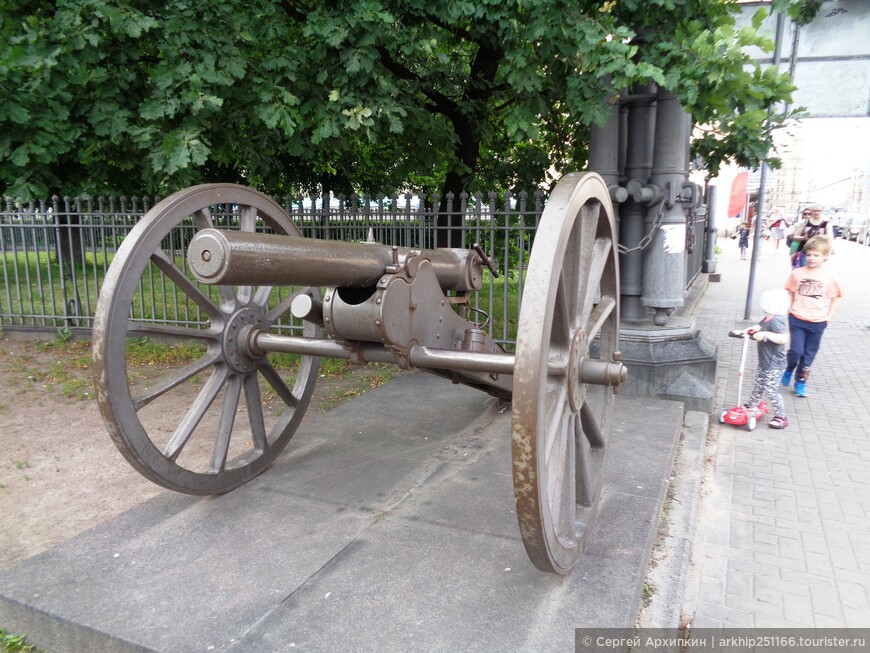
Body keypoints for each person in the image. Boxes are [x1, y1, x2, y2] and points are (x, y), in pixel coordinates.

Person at [782, 235, 842, 398]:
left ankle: (800, 382)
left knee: (808, 355)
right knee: (796, 351)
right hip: (797, 318)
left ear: (825, 256)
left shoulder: (829, 277)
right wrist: (790, 307)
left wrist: (829, 317)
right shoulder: (797, 273)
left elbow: (836, 297)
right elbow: (791, 291)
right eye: (809, 254)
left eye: (816, 255)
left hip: (818, 321)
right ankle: (789, 368)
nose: (811, 258)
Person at [731, 288, 791, 429]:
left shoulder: (776, 320)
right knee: (759, 385)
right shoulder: (768, 318)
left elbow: (784, 338)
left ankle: (781, 416)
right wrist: (744, 332)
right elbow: (757, 327)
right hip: (765, 363)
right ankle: (752, 405)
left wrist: (766, 335)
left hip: (775, 364)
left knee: (771, 390)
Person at [789, 204, 834, 268]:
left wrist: (831, 248)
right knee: (803, 269)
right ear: (812, 212)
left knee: (815, 270)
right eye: (815, 211)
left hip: (819, 251)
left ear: (822, 212)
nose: (817, 212)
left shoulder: (826, 224)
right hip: (805, 250)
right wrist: (803, 238)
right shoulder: (805, 223)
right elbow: (795, 237)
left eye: (819, 211)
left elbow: (830, 237)